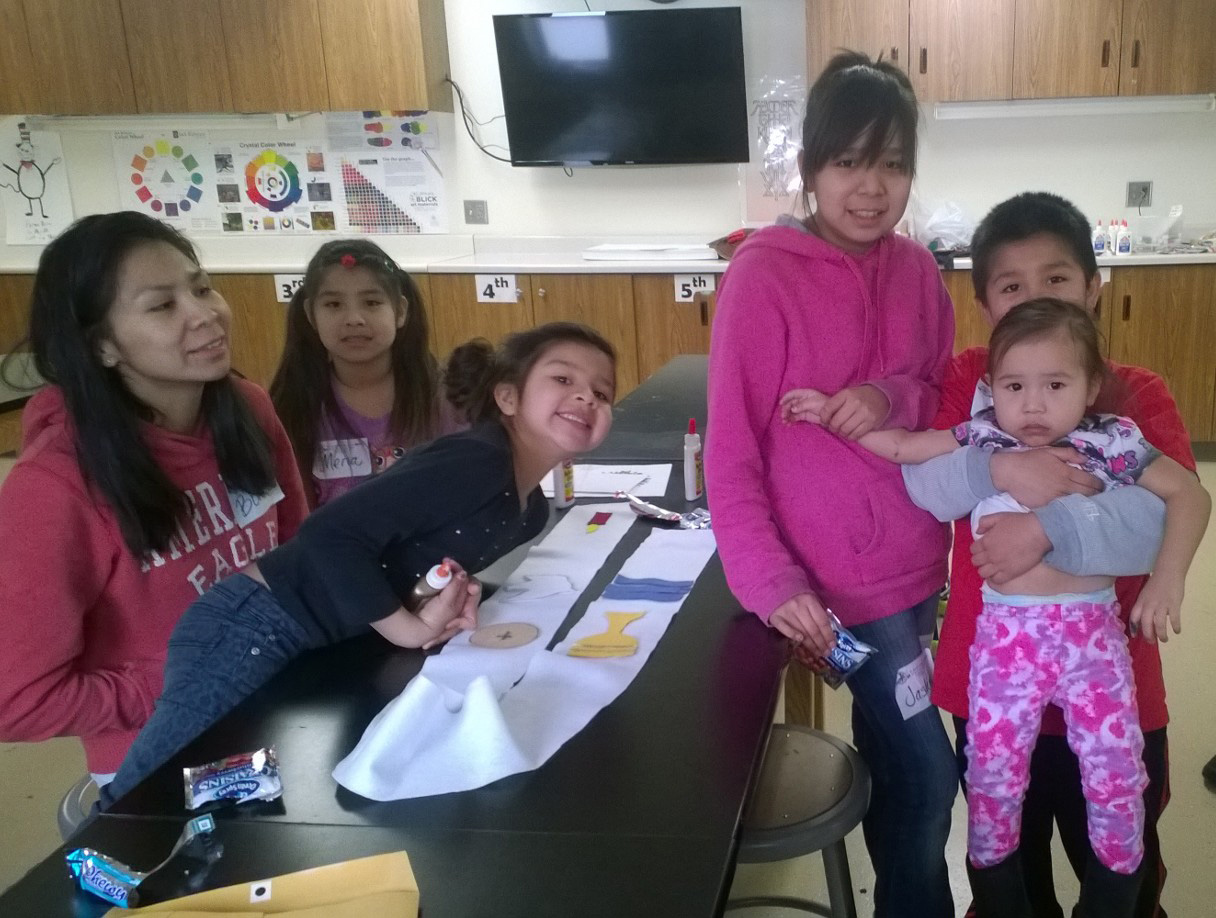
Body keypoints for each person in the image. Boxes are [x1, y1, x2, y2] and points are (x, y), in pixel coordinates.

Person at [783, 297, 1210, 917]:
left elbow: (1188, 495)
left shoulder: (1111, 440)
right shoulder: (984, 435)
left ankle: (1111, 904)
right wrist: (828, 414)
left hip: (1093, 643)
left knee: (1118, 780)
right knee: (991, 780)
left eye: (1056, 385)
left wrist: (1166, 581)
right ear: (991, 388)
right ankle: (1005, 905)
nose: (1033, 405)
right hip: (1007, 645)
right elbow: (905, 447)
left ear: (1091, 386)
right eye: (1015, 385)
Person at [101, 321, 617, 806]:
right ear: (507, 396)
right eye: (563, 378)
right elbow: (330, 535)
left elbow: (415, 550)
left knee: (219, 786)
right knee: (144, 793)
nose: (584, 396)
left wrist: (449, 596)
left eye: (602, 392)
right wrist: (406, 630)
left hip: (313, 640)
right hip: (250, 624)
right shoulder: (479, 461)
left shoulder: (526, 510)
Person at [705, 51, 958, 917]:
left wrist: (883, 395)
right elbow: (730, 451)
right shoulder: (761, 275)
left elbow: (934, 387)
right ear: (811, 167)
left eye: (892, 164)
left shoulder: (920, 270)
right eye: (849, 161)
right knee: (931, 767)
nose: (871, 186)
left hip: (919, 564)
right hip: (836, 596)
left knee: (896, 751)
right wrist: (770, 581)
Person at [902, 192, 1195, 918]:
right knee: (1009, 857)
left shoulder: (1134, 394)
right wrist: (998, 469)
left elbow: (1165, 516)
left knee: (1121, 858)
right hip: (993, 678)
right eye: (1011, 286)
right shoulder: (971, 384)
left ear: (1095, 288)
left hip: (1114, 679)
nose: (1034, 299)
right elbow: (929, 486)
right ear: (983, 303)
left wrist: (1051, 526)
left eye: (1056, 279)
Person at [0, 212, 309, 788]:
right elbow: (17, 700)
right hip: (166, 758)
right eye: (162, 305)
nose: (206, 313)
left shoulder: (246, 408)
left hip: (284, 707)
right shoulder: (52, 489)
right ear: (102, 347)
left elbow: (298, 556)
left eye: (201, 286)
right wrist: (185, 679)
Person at [270, 239, 461, 508]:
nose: (354, 319)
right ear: (311, 316)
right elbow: (294, 514)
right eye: (334, 305)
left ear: (400, 311)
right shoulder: (294, 408)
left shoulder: (442, 398)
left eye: (371, 302)